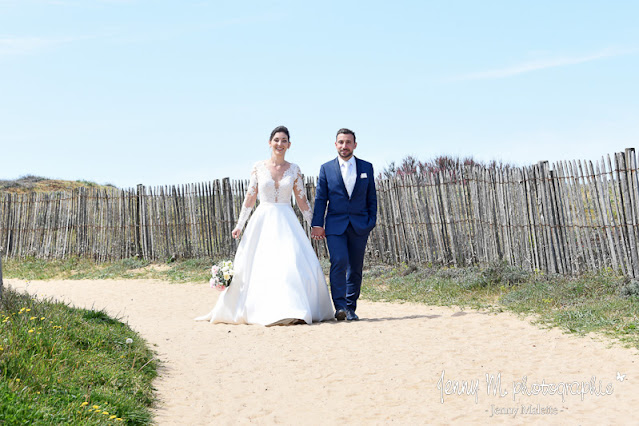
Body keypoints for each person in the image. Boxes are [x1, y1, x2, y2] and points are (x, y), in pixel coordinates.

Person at [196, 126, 334, 326]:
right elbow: (250, 198)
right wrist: (240, 224)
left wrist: (313, 225)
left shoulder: (294, 169)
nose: (280, 144)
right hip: (262, 220)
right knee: (262, 265)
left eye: (284, 140)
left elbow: (302, 201)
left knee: (290, 263)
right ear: (270, 143)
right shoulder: (259, 167)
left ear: (289, 144)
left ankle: (293, 310)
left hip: (287, 220)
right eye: (276, 140)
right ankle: (263, 309)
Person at [311, 128, 377, 321]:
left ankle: (350, 307)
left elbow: (371, 197)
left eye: (348, 142)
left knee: (355, 267)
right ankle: (339, 306)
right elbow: (321, 198)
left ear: (354, 145)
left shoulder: (366, 167)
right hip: (335, 225)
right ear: (335, 145)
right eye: (341, 142)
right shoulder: (326, 168)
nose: (344, 146)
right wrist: (317, 224)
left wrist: (371, 221)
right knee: (339, 261)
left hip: (360, 225)